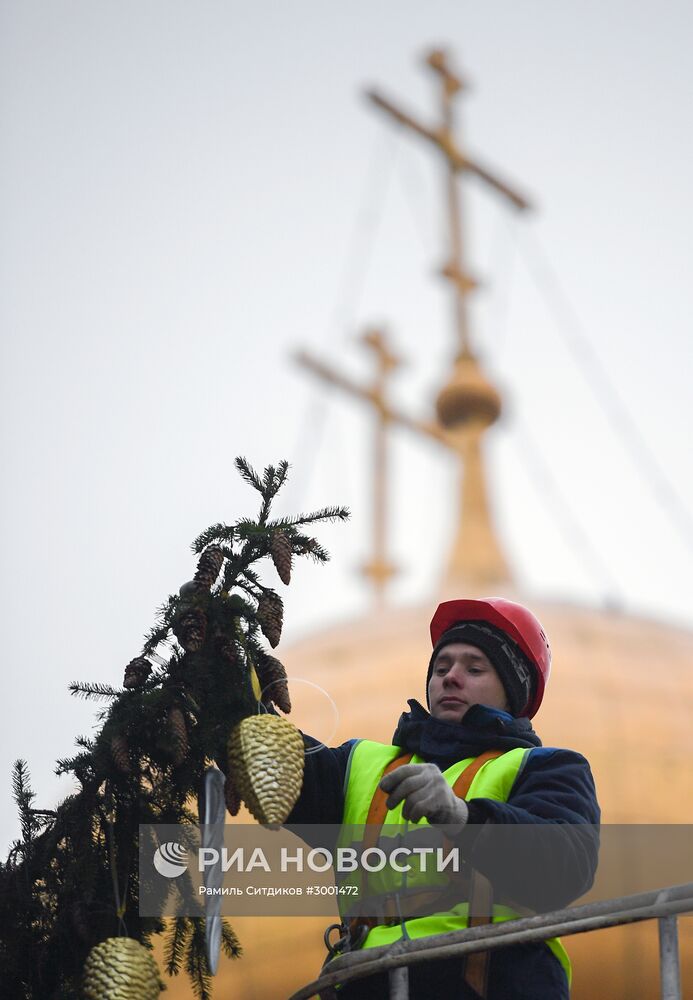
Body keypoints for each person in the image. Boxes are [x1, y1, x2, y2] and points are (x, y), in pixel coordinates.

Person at [287, 598, 600, 999]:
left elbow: (565, 868)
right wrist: (221, 677)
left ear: (511, 691)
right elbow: (266, 759)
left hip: (495, 984)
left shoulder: (546, 768)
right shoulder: (359, 766)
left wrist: (463, 818)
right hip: (371, 984)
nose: (450, 677)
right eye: (440, 667)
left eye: (474, 668)